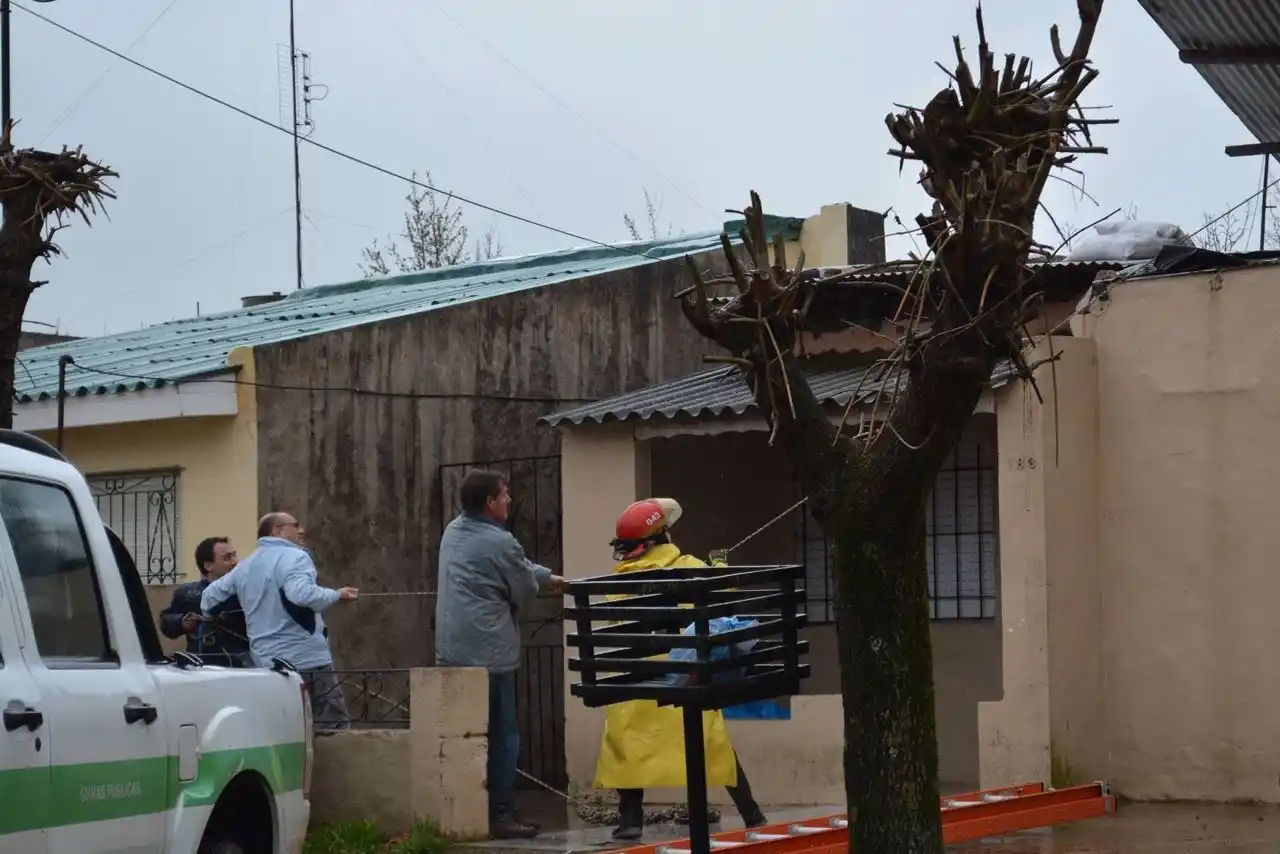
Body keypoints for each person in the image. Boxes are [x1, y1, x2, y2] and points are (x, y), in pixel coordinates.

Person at [595, 498, 767, 840]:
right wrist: (719, 566)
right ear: (662, 536)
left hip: (636, 688)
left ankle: (630, 820)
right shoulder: (689, 565)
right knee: (711, 737)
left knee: (626, 738)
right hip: (684, 680)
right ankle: (752, 814)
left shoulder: (617, 583)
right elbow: (720, 601)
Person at [435, 469, 566, 840]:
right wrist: (545, 583)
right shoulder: (501, 541)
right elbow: (522, 586)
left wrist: (547, 576)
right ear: (491, 502)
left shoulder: (454, 531)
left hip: (452, 651)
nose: (510, 500)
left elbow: (516, 568)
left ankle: (467, 811)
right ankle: (502, 813)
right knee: (503, 735)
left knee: (464, 735)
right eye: (505, 494)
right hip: (489, 654)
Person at [201, 511, 359, 729]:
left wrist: (215, 616)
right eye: (295, 525)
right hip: (308, 661)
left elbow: (208, 599)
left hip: (267, 664)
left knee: (284, 729)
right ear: (277, 530)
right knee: (333, 728)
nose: (301, 530)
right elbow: (301, 595)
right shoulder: (296, 557)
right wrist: (336, 595)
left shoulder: (246, 565)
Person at [158, 536, 251, 667]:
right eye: (227, 558)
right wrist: (181, 621)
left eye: (234, 555)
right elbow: (166, 622)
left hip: (241, 665)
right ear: (208, 565)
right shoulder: (188, 593)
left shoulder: (248, 591)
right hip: (201, 666)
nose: (235, 562)